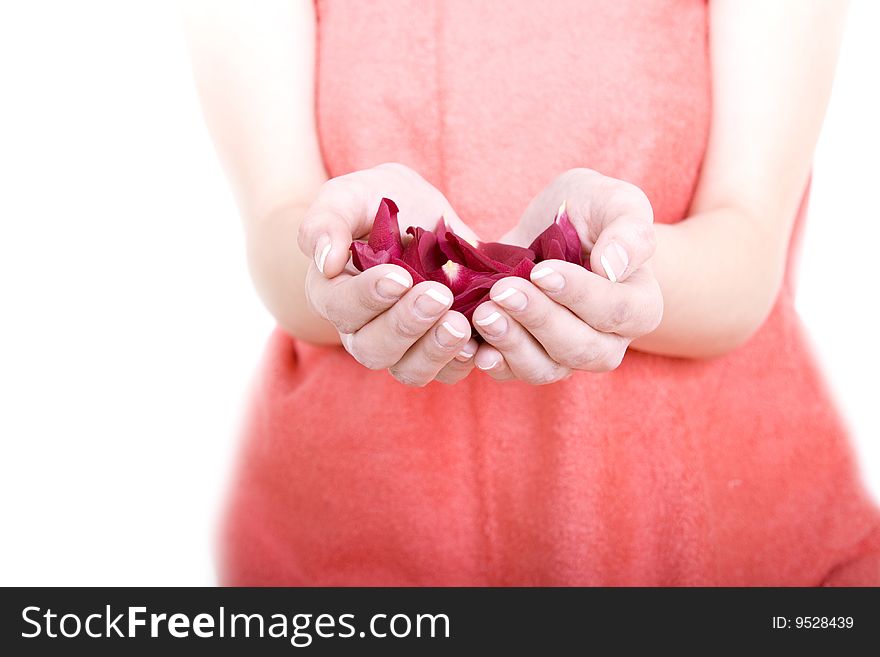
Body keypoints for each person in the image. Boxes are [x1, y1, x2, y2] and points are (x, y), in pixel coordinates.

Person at [183, 0, 880, 584]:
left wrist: (615, 269)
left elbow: (748, 249)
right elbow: (281, 228)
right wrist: (351, 266)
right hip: (350, 539)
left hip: (716, 537)